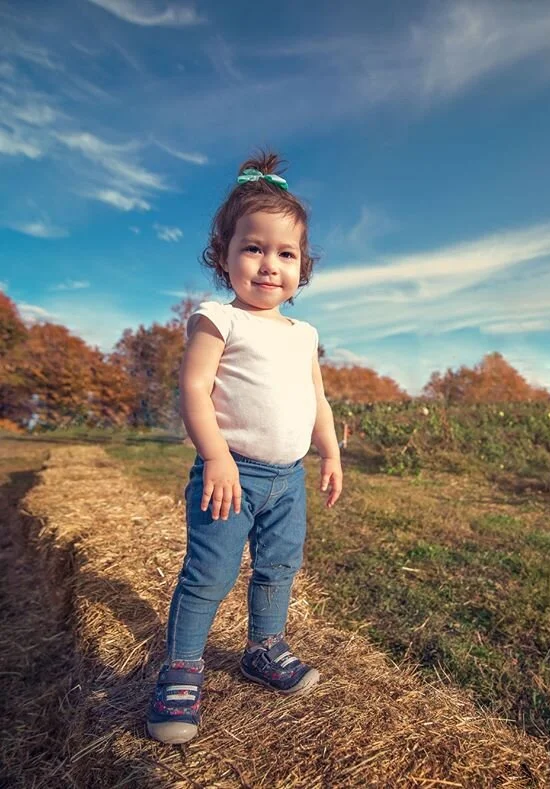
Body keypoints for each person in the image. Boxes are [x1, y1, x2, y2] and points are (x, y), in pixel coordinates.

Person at [146, 150, 343, 744]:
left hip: (289, 478)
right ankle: (181, 668)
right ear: (223, 255)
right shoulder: (217, 318)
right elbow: (194, 389)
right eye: (252, 248)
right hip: (231, 474)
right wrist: (216, 456)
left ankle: (263, 648)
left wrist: (330, 452)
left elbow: (318, 398)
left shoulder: (304, 333)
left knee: (279, 567)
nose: (267, 265)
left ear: (301, 267)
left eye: (285, 253)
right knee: (209, 573)